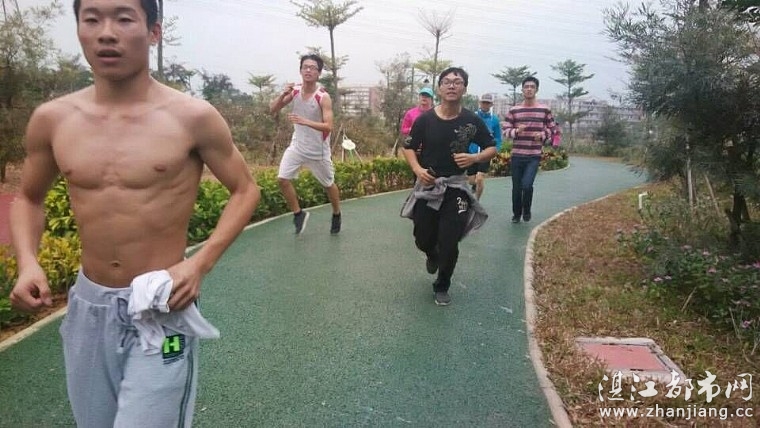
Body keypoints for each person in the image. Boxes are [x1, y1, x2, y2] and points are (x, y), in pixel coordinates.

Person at [9, 1, 260, 427]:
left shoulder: (192, 117)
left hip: (162, 306)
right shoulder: (52, 120)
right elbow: (28, 198)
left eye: (124, 18)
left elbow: (245, 189)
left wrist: (198, 264)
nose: (106, 32)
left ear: (153, 32)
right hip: (88, 307)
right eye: (92, 19)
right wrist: (28, 262)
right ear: (79, 29)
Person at [400, 67, 497, 306]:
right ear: (439, 88)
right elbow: (408, 147)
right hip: (428, 186)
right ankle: (431, 254)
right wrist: (417, 170)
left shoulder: (471, 121)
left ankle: (442, 284)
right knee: (423, 237)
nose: (452, 85)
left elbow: (491, 147)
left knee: (449, 240)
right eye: (447, 81)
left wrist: (474, 158)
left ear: (464, 88)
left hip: (456, 188)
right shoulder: (425, 120)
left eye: (457, 82)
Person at [270, 54, 341, 235]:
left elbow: (329, 126)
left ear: (319, 73)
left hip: (318, 151)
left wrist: (304, 121)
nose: (308, 70)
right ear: (300, 70)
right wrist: (282, 94)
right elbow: (273, 109)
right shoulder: (294, 91)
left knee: (328, 184)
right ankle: (298, 214)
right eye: (305, 67)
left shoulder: (323, 97)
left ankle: (336, 213)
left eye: (313, 68)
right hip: (297, 146)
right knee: (282, 179)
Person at [502, 76, 557, 223]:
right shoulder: (514, 110)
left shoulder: (544, 110)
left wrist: (542, 135)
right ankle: (516, 214)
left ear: (536, 90)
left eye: (532, 87)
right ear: (522, 90)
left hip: (533, 155)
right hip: (517, 155)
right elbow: (505, 131)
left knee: (527, 185)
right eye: (526, 87)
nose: (529, 89)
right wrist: (516, 131)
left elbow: (553, 129)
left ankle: (526, 209)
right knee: (516, 187)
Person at [466, 93, 502, 200]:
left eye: (488, 103)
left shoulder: (494, 120)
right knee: (471, 180)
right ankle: (474, 187)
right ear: (480, 103)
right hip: (472, 153)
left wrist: (495, 149)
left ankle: (476, 201)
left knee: (480, 178)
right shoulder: (472, 116)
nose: (485, 105)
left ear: (491, 105)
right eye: (483, 102)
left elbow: (498, 137)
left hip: (486, 153)